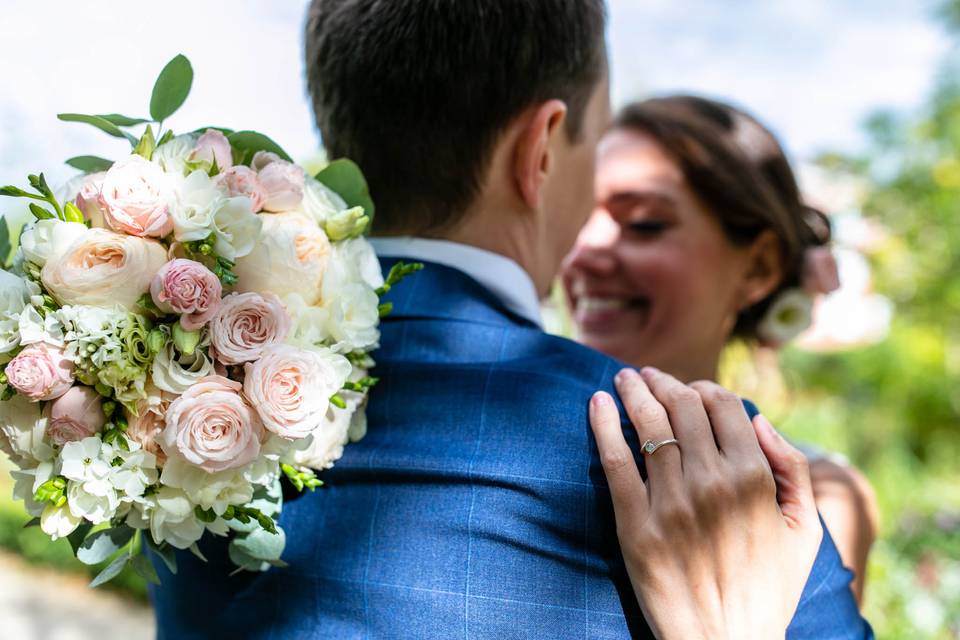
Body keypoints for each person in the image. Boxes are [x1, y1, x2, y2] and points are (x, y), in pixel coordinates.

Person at [149, 3, 872, 638]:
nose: (591, 244)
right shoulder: (717, 485)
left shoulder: (168, 396)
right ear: (542, 151)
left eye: (646, 222)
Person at [561, 96, 879, 603]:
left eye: (643, 223)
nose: (581, 254)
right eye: (575, 219)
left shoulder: (816, 500)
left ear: (758, 267)